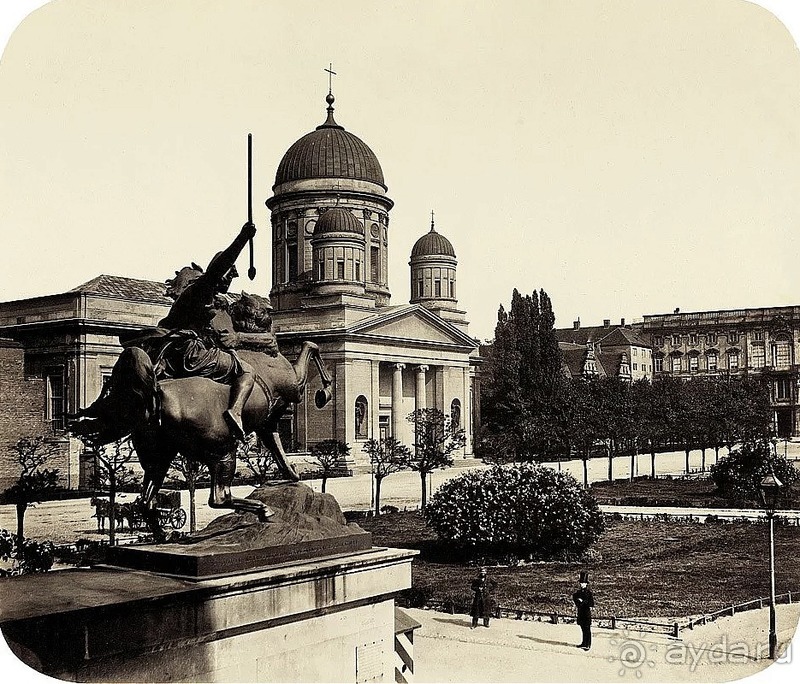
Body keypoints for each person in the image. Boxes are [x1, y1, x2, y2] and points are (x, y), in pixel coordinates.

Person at [155, 221, 259, 441]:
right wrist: (242, 238)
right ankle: (235, 412)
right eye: (229, 275)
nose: (230, 280)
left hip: (174, 352)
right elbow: (219, 267)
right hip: (191, 354)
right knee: (247, 370)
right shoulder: (202, 289)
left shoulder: (199, 297)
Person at [573, 571, 595, 650]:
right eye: (581, 583)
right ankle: (583, 643)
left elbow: (591, 603)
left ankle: (588, 644)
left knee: (587, 629)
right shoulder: (578, 593)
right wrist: (578, 601)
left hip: (586, 613)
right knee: (583, 628)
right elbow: (575, 599)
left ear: (586, 584)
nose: (582, 584)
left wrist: (583, 601)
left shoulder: (589, 593)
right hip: (581, 613)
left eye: (583, 583)